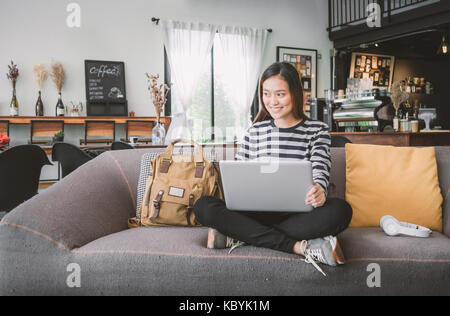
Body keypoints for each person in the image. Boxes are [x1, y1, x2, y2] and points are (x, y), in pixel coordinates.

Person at [193, 62, 352, 275]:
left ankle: (238, 236)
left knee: (340, 211)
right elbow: (238, 174)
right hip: (254, 213)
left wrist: (319, 191)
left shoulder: (317, 130)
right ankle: (298, 246)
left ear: (295, 93)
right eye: (267, 94)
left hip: (297, 216)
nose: (272, 101)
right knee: (203, 206)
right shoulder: (255, 131)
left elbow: (320, 169)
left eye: (280, 94)